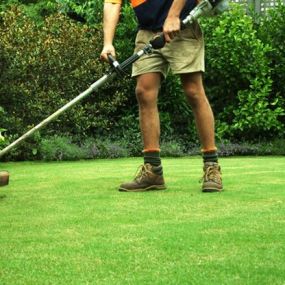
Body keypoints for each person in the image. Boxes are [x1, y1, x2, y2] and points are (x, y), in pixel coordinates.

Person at [100, 0, 223, 192]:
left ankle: (212, 167)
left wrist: (173, 15)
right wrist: (107, 43)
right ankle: (153, 172)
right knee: (144, 91)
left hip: (182, 26)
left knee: (193, 91)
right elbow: (112, 2)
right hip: (148, 31)